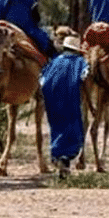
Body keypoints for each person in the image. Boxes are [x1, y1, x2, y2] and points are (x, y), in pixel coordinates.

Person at [40, 34, 91, 178]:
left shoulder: (54, 61)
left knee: (56, 126)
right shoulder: (80, 62)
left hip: (51, 98)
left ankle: (55, 154)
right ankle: (65, 159)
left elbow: (42, 79)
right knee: (72, 126)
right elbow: (85, 76)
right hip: (70, 97)